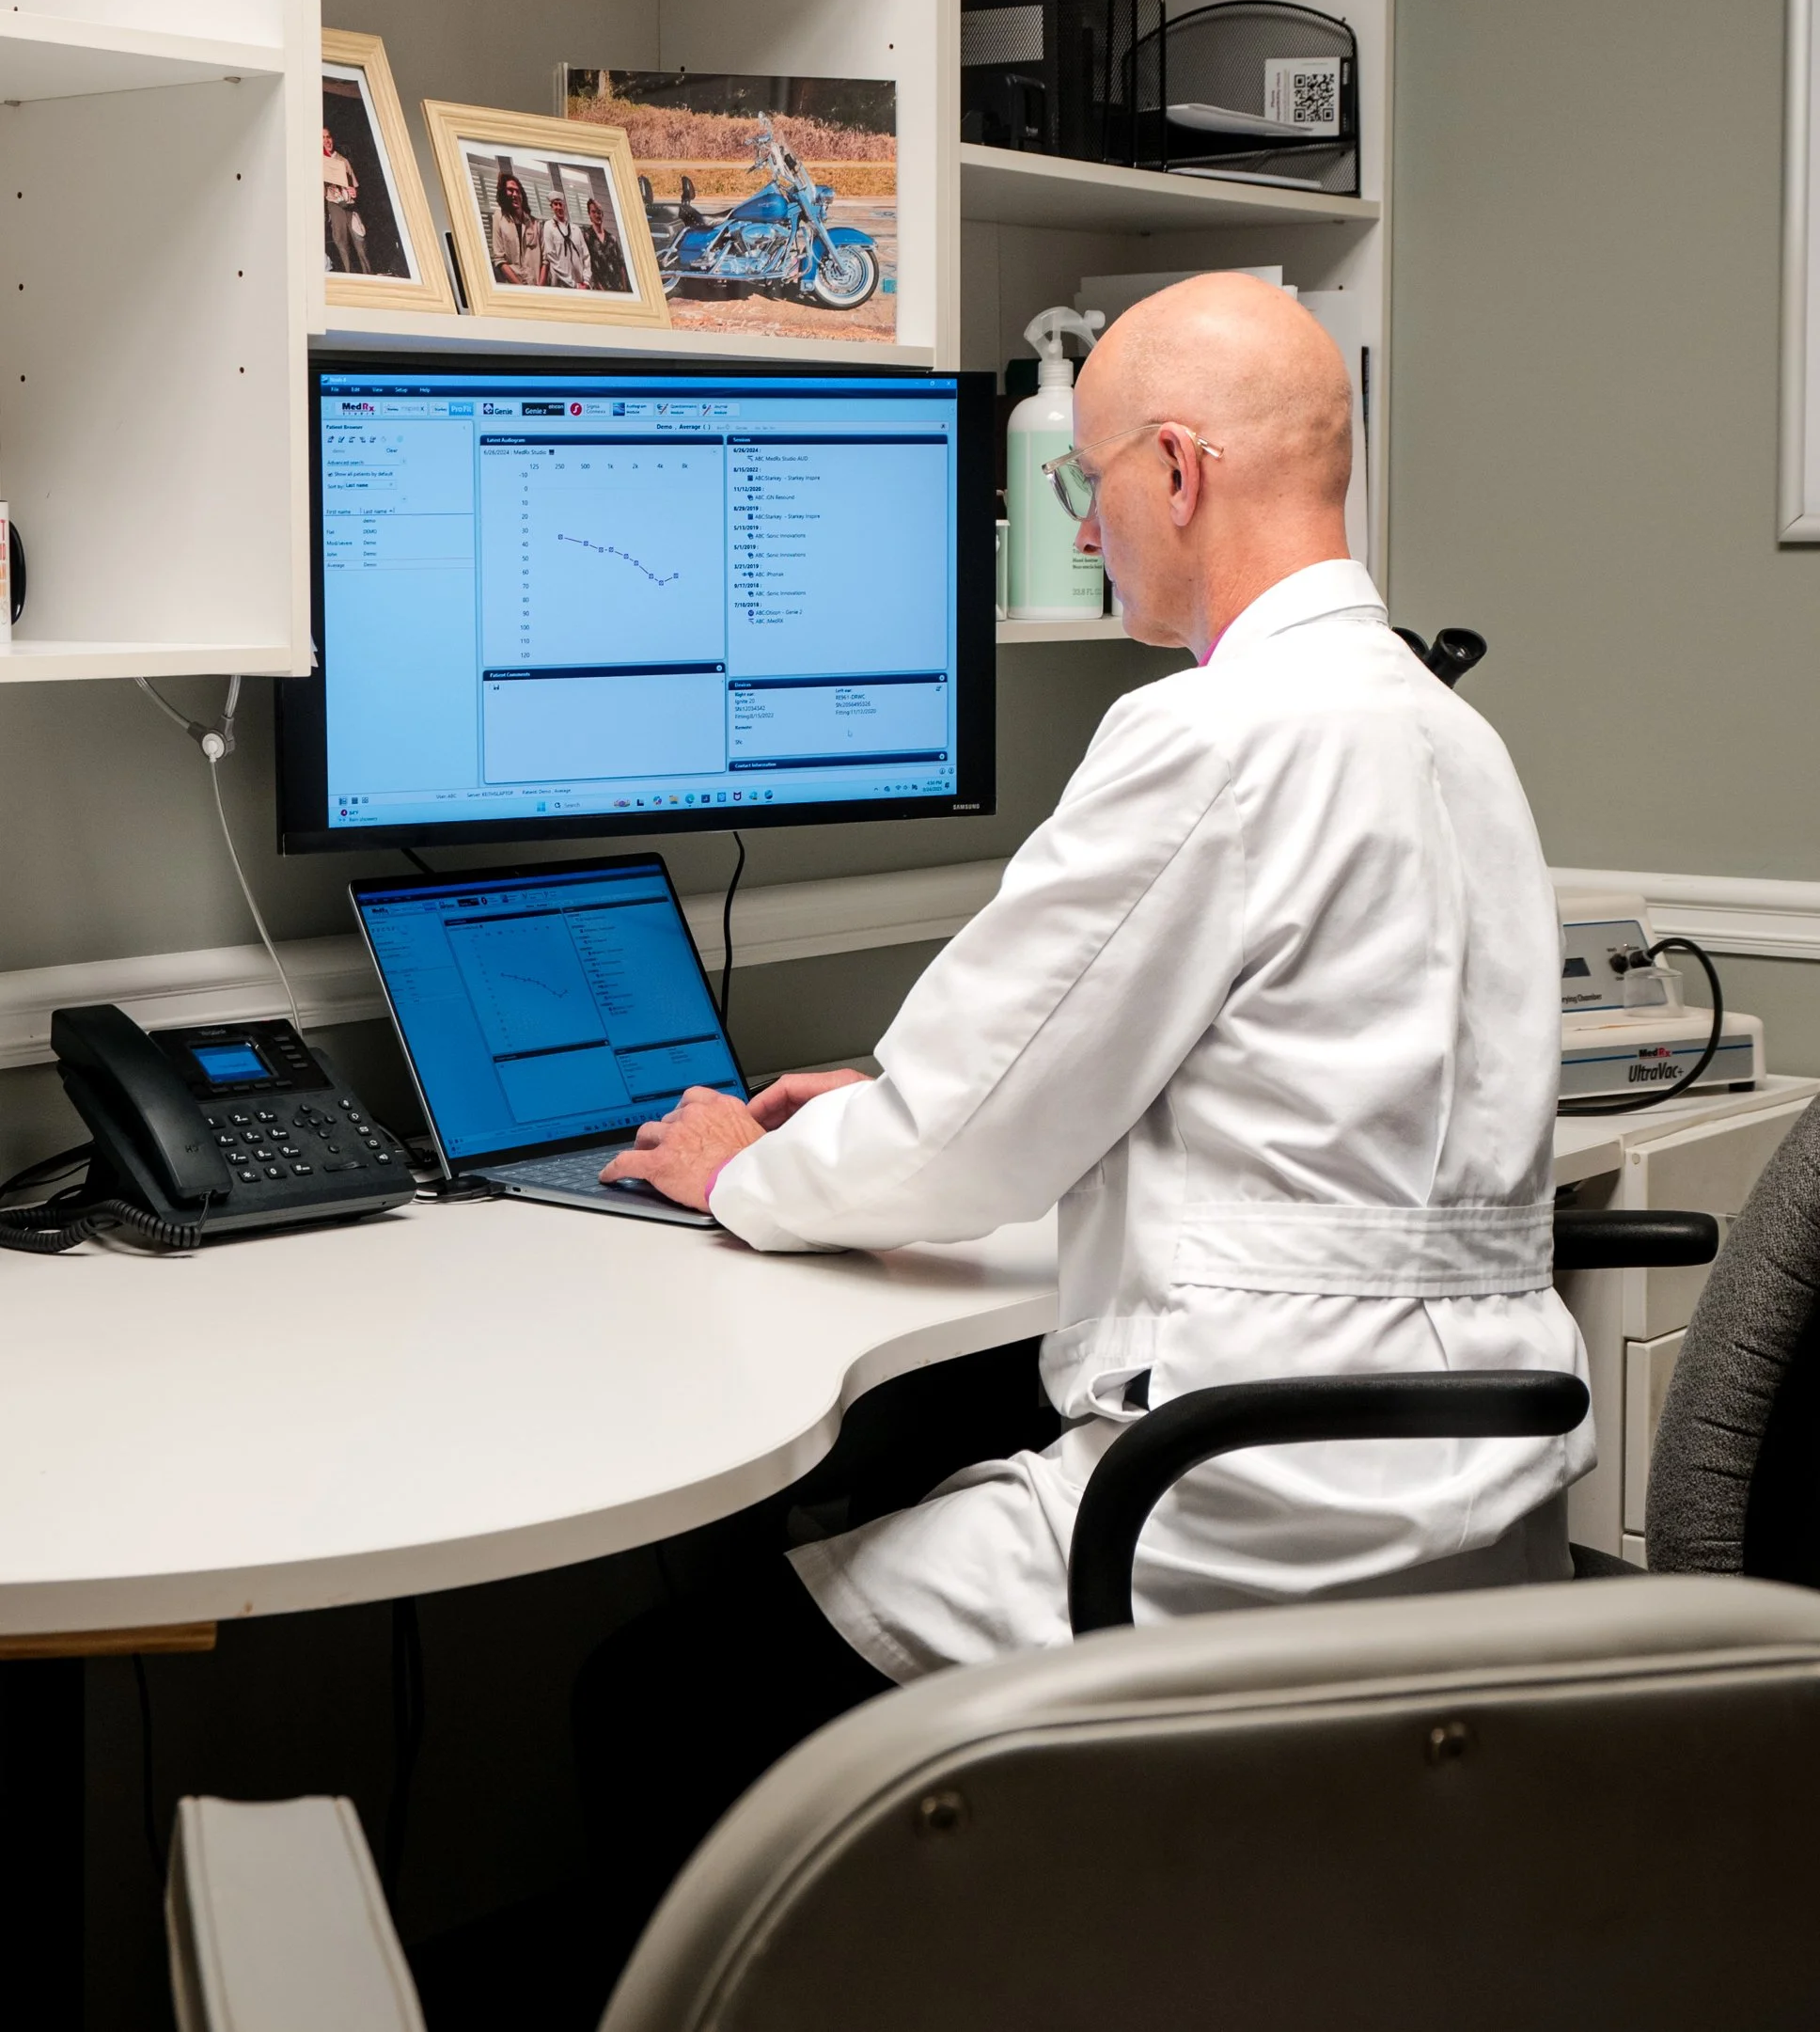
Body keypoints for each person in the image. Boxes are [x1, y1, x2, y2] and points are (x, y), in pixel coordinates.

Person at [562, 272, 1590, 2001]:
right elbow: (1284, 1094)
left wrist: (742, 1165)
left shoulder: (1212, 731)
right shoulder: (1444, 727)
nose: (1085, 524)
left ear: (1175, 472)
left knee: (662, 1699)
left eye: (1080, 485)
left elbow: (964, 1144)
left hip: (1239, 1514)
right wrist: (889, 1107)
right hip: (1470, 1501)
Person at [322, 127, 369, 274]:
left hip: (350, 205)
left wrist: (354, 192)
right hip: (334, 204)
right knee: (341, 242)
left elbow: (355, 185)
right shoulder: (318, 161)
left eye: (328, 137)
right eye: (322, 138)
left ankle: (368, 274)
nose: (326, 141)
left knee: (360, 240)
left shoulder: (343, 160)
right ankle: (349, 275)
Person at [490, 170, 541, 287]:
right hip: (515, 285)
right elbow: (499, 259)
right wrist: (520, 287)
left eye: (517, 191)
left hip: (537, 284)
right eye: (510, 190)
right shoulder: (499, 218)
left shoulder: (534, 222)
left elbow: (545, 261)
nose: (514, 194)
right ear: (503, 193)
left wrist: (541, 286)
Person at [541, 191, 591, 291]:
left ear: (564, 206)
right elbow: (552, 258)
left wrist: (586, 281)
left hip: (581, 284)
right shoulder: (548, 226)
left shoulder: (575, 229)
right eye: (555, 204)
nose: (559, 207)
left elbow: (586, 256)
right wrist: (573, 284)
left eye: (561, 204)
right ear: (551, 207)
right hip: (562, 286)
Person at [583, 196, 628, 293]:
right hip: (601, 289)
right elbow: (590, 267)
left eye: (599, 212)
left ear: (602, 214)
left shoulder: (612, 238)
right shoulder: (587, 237)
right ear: (589, 214)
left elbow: (621, 265)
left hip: (619, 287)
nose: (597, 215)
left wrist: (625, 289)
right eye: (593, 212)